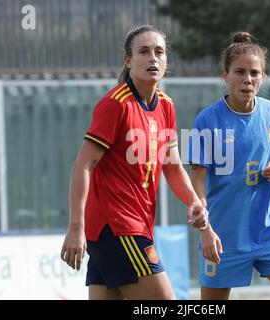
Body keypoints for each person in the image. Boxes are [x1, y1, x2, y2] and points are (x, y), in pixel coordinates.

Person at [60, 25, 208, 300]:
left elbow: (173, 167)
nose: (153, 58)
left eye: (159, 52)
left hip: (133, 228)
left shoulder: (166, 106)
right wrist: (75, 228)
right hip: (118, 228)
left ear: (166, 62)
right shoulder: (115, 105)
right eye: (143, 51)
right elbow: (83, 165)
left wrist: (194, 201)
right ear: (128, 61)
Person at [189, 32, 270, 300]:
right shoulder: (206, 120)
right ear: (226, 74)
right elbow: (196, 176)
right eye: (240, 72)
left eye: (255, 72)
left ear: (263, 77)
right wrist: (205, 230)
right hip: (223, 237)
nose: (248, 79)